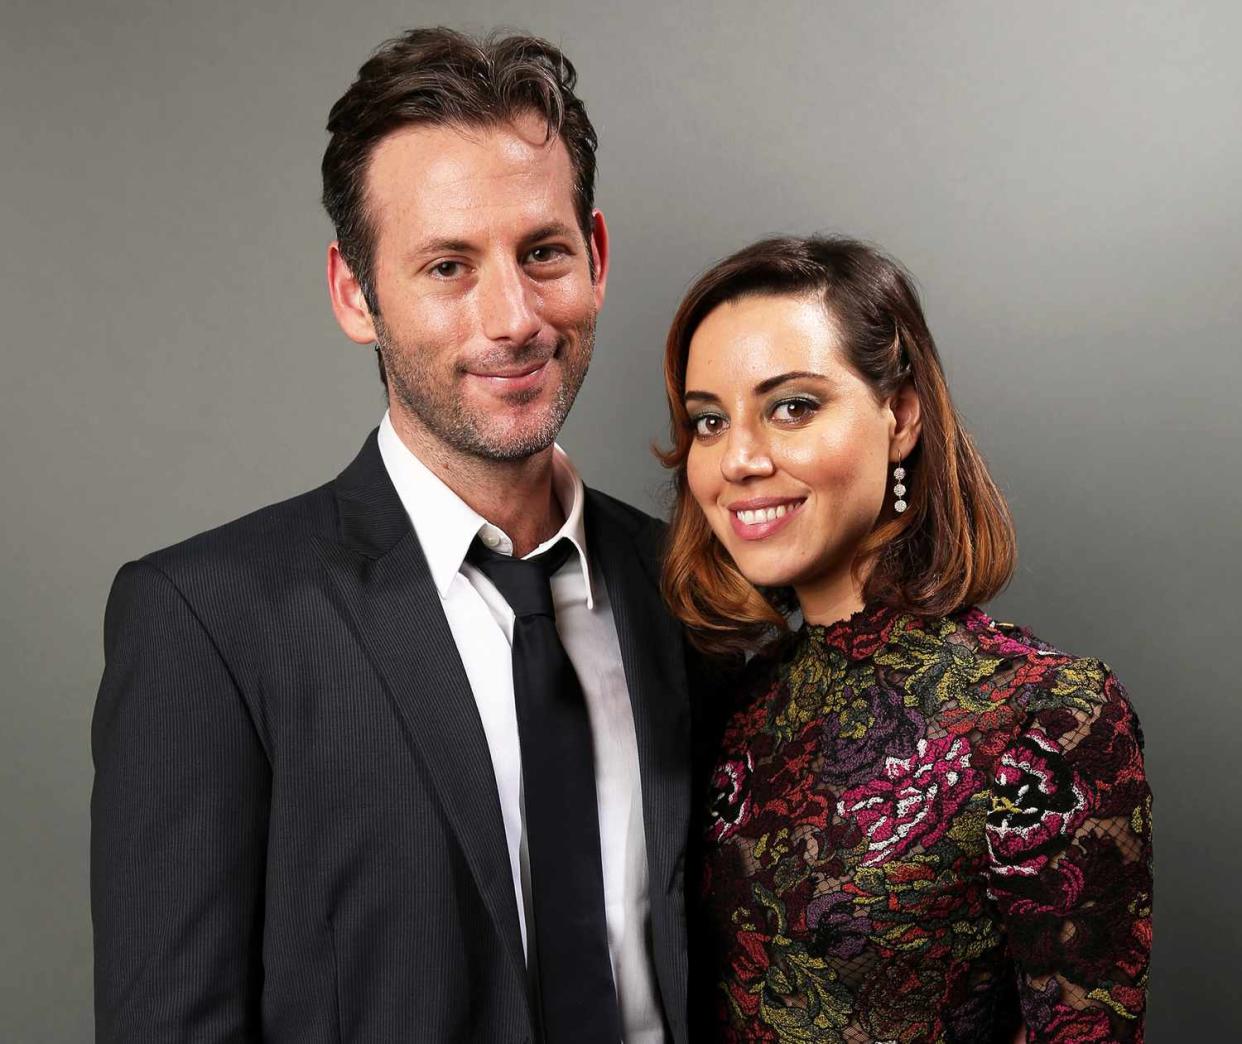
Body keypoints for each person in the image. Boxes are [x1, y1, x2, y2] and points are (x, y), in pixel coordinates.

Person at [91, 29, 693, 1043]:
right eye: (448, 266)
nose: (510, 319)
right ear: (354, 293)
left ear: (594, 258)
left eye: (541, 253)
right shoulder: (205, 625)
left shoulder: (691, 594)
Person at [659, 236, 1152, 1041]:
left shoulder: (1048, 716)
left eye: (791, 406)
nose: (738, 459)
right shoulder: (729, 704)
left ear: (902, 418)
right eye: (708, 420)